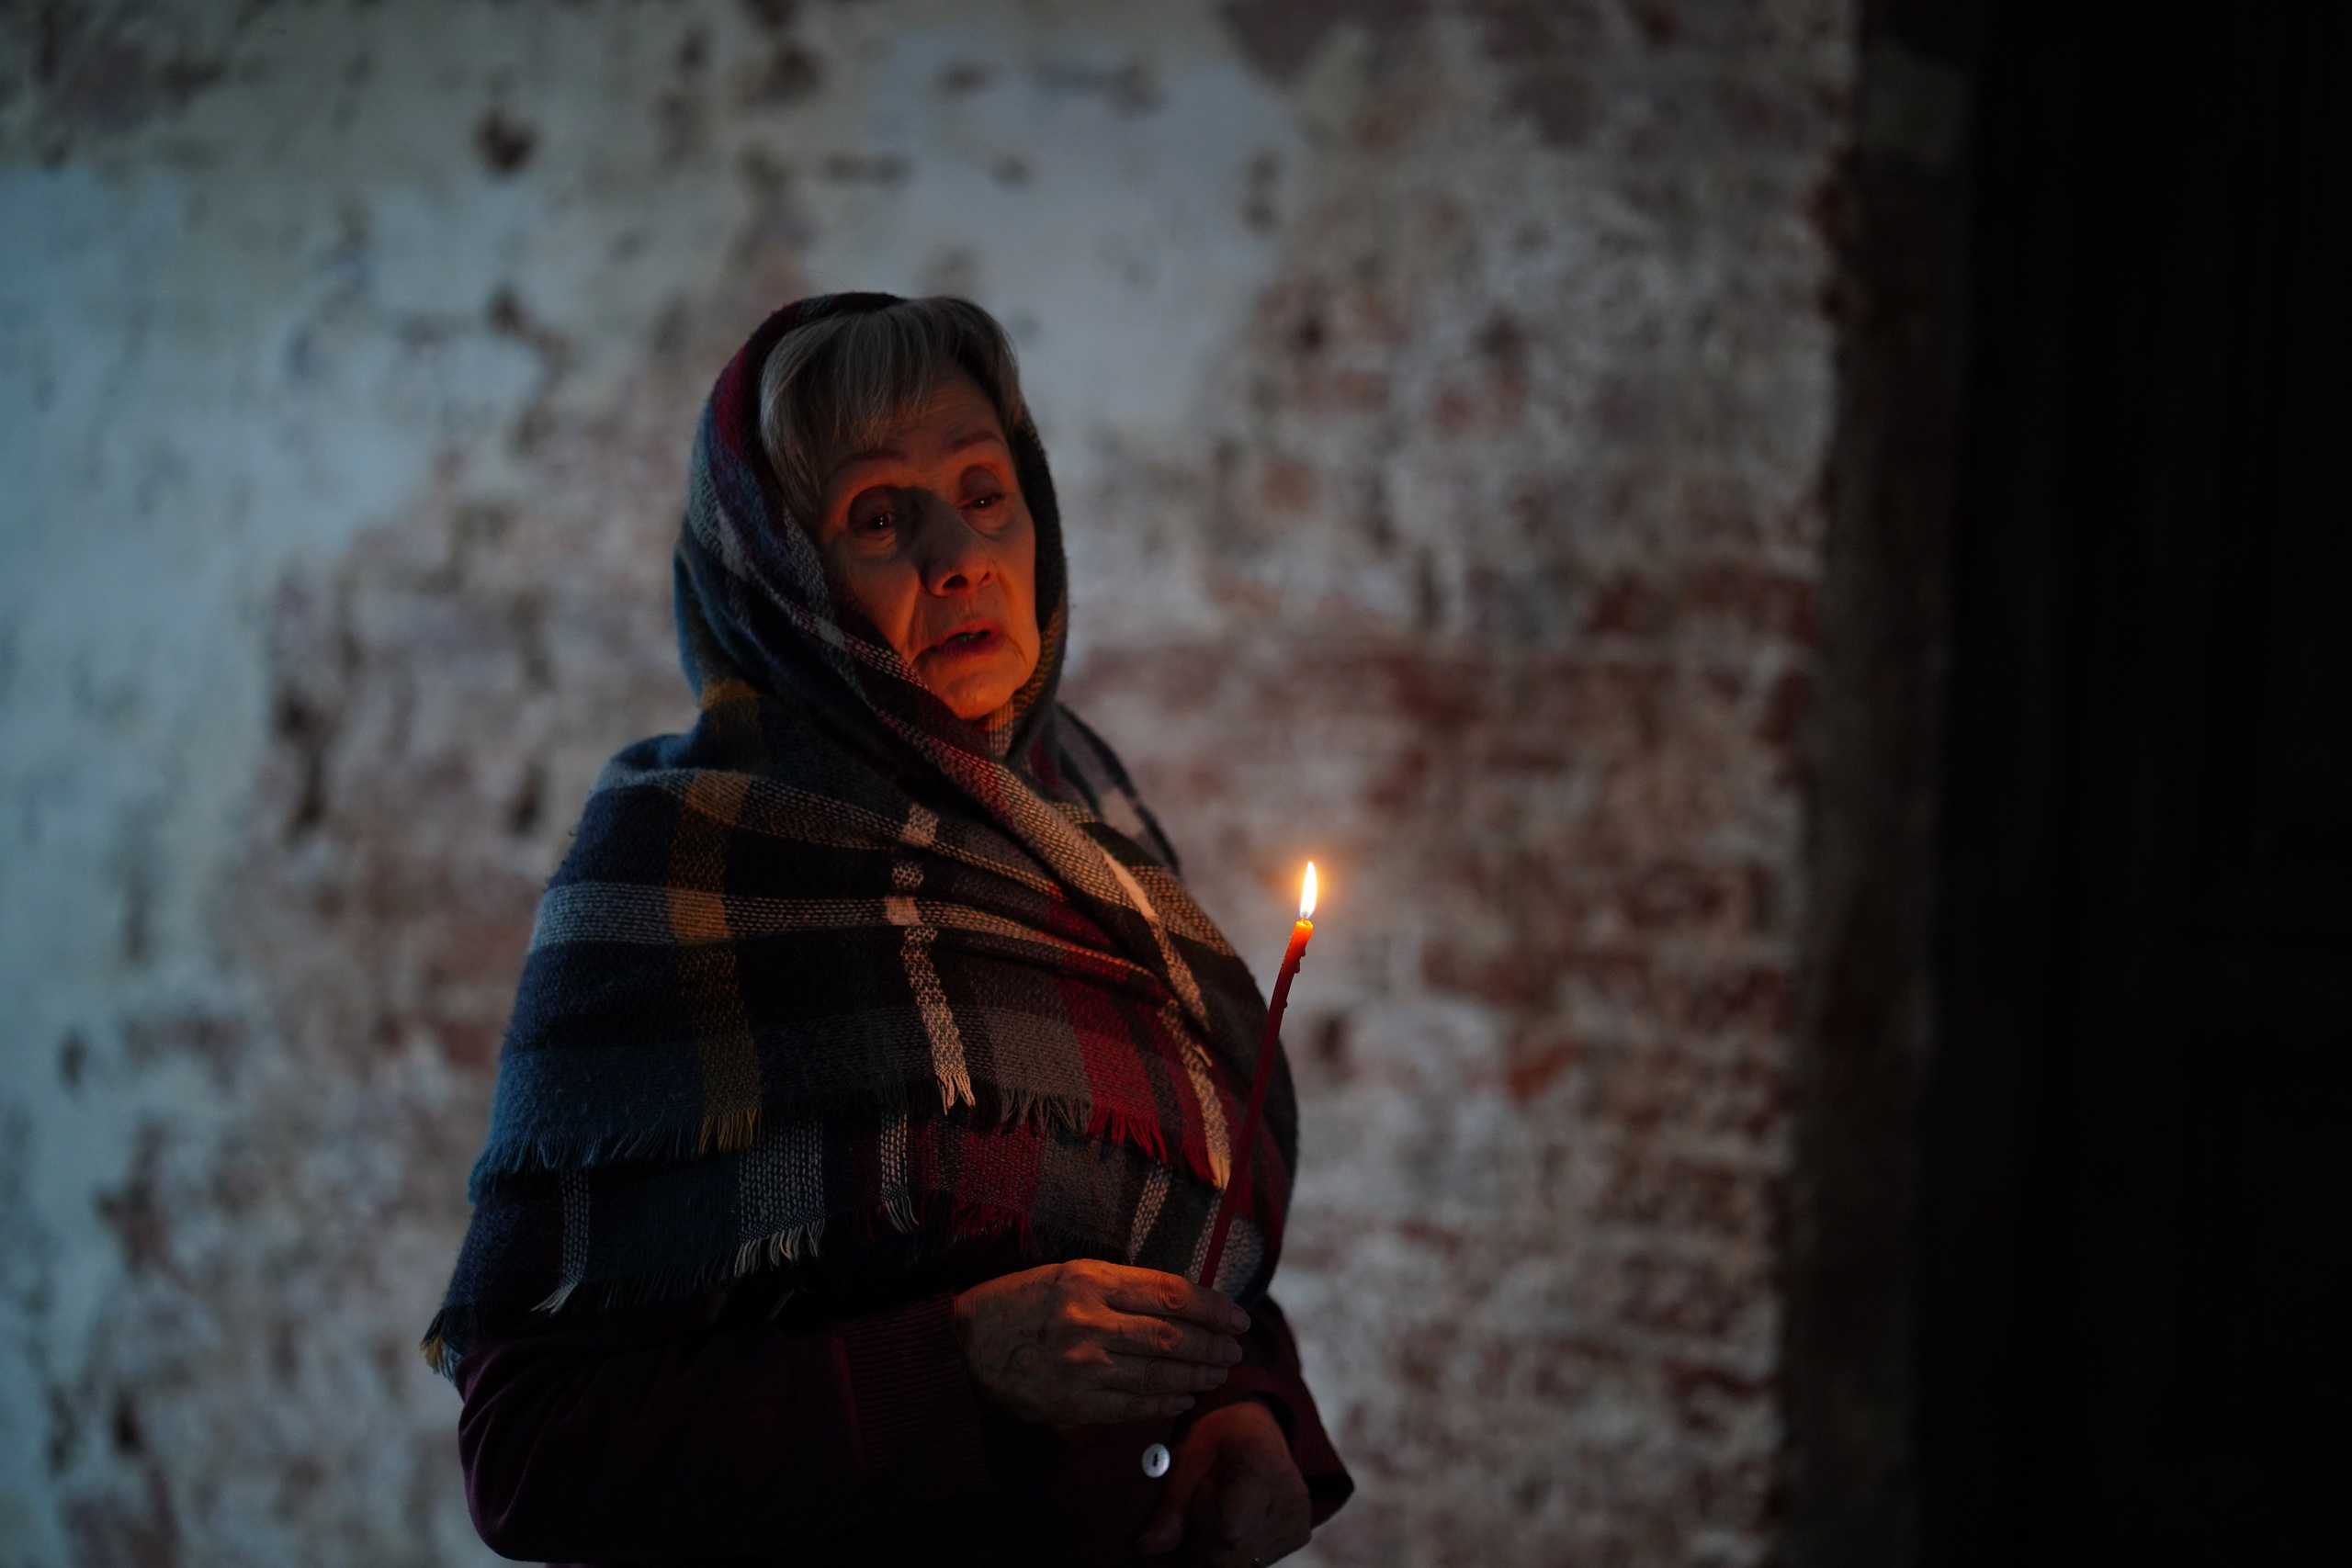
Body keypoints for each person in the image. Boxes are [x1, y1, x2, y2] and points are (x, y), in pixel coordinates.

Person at [425, 294, 1352, 1567]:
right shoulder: (682, 872)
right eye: (877, 516)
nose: (959, 555)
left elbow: (1158, 1244)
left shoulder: (1084, 825)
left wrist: (1249, 1408)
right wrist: (957, 1363)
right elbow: (530, 1458)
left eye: (986, 493)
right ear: (781, 577)